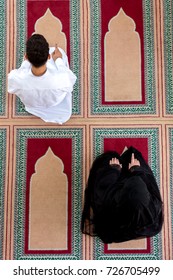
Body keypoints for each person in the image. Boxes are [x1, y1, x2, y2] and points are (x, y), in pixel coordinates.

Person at [81, 146, 163, 243]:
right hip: (139, 223)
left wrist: (113, 170)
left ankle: (124, 175)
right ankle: (131, 175)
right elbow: (148, 183)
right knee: (134, 158)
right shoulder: (154, 208)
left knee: (110, 159)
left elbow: (103, 189)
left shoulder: (109, 203)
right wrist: (136, 170)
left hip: (117, 221)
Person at [8, 34, 77, 124]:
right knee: (60, 52)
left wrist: (25, 64)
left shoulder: (15, 78)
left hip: (31, 105)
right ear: (49, 57)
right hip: (55, 102)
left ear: (26, 57)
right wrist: (59, 60)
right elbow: (71, 82)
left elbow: (12, 87)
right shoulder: (62, 79)